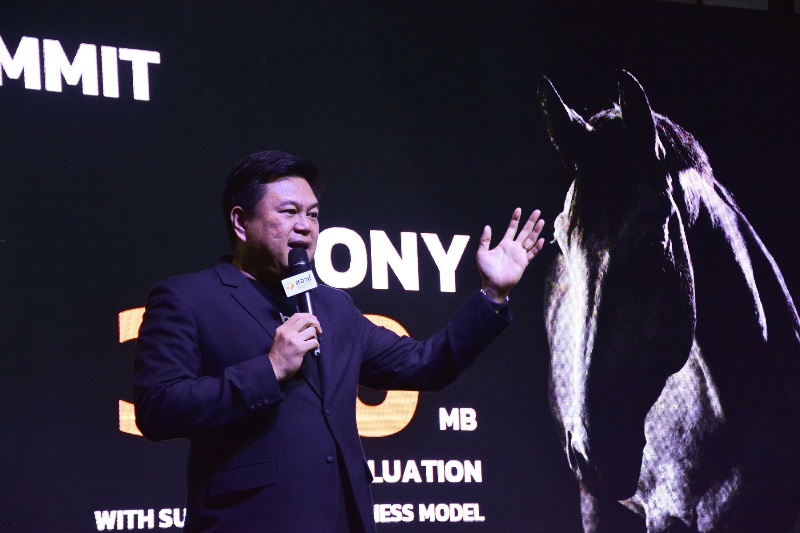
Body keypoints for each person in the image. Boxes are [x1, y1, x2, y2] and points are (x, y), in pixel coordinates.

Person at [132, 150, 545, 533]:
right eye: (289, 212)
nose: (305, 226)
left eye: (313, 215)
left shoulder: (332, 305)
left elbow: (426, 363)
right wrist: (270, 369)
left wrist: (492, 295)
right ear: (241, 222)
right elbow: (158, 409)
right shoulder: (188, 298)